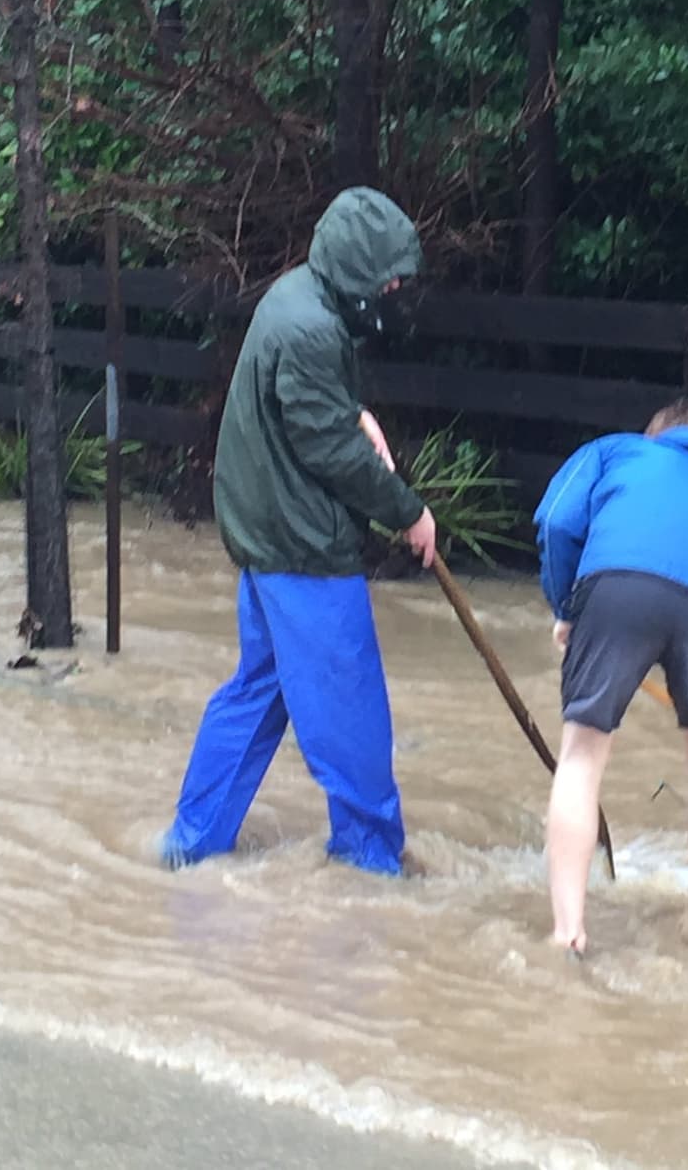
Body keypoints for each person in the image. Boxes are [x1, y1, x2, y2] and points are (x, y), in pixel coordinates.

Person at [160, 186, 436, 878]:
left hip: (265, 533)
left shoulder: (296, 296)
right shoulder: (314, 328)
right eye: (389, 272)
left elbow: (318, 415)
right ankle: (373, 862)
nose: (396, 285)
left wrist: (356, 413)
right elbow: (332, 452)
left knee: (258, 693)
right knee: (350, 712)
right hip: (302, 546)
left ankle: (189, 850)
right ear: (357, 265)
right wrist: (408, 511)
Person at [533, 395, 688, 952]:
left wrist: (567, 608)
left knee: (583, 754)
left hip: (617, 585)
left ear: (654, 434)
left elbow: (558, 517)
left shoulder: (615, 451)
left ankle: (568, 933)